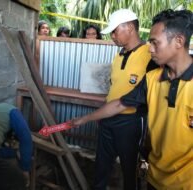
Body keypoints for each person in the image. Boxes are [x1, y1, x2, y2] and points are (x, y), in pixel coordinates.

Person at [71, 9, 193, 190]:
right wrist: (88, 118)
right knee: (102, 166)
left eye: (155, 42)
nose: (150, 48)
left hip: (183, 181)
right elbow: (120, 101)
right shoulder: (152, 79)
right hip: (155, 177)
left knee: (130, 171)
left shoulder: (152, 62)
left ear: (179, 42)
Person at [82, 9, 158, 190]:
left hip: (131, 122)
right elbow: (114, 88)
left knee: (130, 169)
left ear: (130, 28)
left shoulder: (151, 55)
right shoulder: (118, 56)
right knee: (101, 165)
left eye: (115, 31)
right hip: (108, 119)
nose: (113, 37)